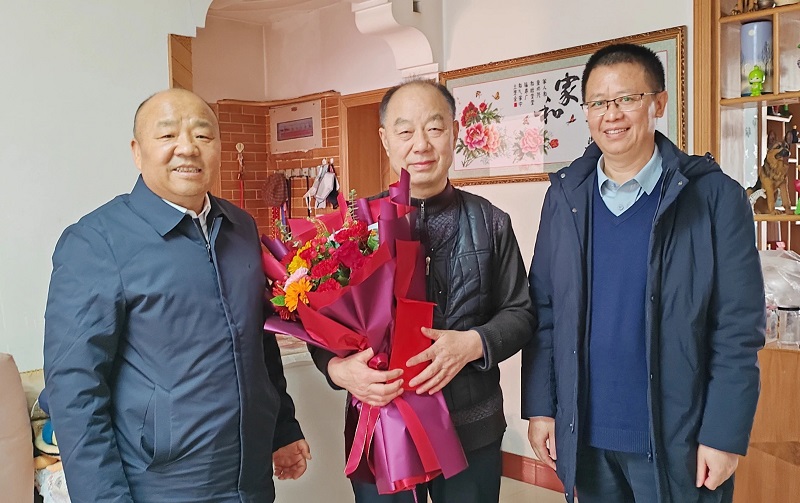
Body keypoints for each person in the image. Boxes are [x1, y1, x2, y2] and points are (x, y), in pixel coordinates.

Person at [522, 43, 765, 503]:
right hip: (585, 436)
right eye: (598, 103)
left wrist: (724, 434)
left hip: (678, 439)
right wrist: (541, 408)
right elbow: (545, 310)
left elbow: (737, 327)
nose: (611, 115)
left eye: (627, 99)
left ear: (658, 103)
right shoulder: (565, 197)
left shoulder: (713, 197)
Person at [43, 88, 311, 502]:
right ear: (137, 152)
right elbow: (74, 389)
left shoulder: (240, 227)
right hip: (162, 485)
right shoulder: (97, 241)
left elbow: (259, 341)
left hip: (251, 479)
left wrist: (282, 428)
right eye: (167, 135)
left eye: (202, 135)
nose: (187, 148)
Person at [309, 79, 534, 502]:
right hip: (381, 426)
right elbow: (321, 326)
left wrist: (472, 343)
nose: (421, 145)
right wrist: (338, 370)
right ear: (385, 140)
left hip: (471, 430)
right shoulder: (354, 229)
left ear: (454, 133)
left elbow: (520, 313)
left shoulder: (491, 222)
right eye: (405, 131)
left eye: (434, 128)